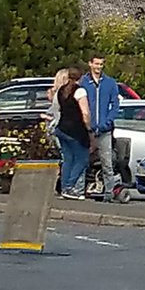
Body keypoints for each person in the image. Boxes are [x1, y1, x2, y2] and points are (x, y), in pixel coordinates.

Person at [80, 53, 120, 201]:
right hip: (87, 129)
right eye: (96, 64)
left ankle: (109, 193)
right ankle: (80, 191)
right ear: (90, 64)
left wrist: (107, 122)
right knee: (83, 161)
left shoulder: (110, 83)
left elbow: (115, 105)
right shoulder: (83, 82)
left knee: (107, 162)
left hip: (104, 130)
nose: (98, 67)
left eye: (101, 64)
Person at [55, 67, 91, 200]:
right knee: (83, 159)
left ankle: (64, 188)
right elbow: (85, 113)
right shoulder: (80, 91)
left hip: (62, 128)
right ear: (80, 78)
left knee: (68, 159)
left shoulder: (61, 90)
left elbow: (59, 108)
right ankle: (70, 186)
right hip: (75, 130)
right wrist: (89, 128)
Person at [42, 69, 68, 195]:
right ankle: (65, 184)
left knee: (63, 156)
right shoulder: (62, 95)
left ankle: (62, 183)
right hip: (61, 129)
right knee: (67, 157)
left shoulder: (56, 95)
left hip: (54, 129)